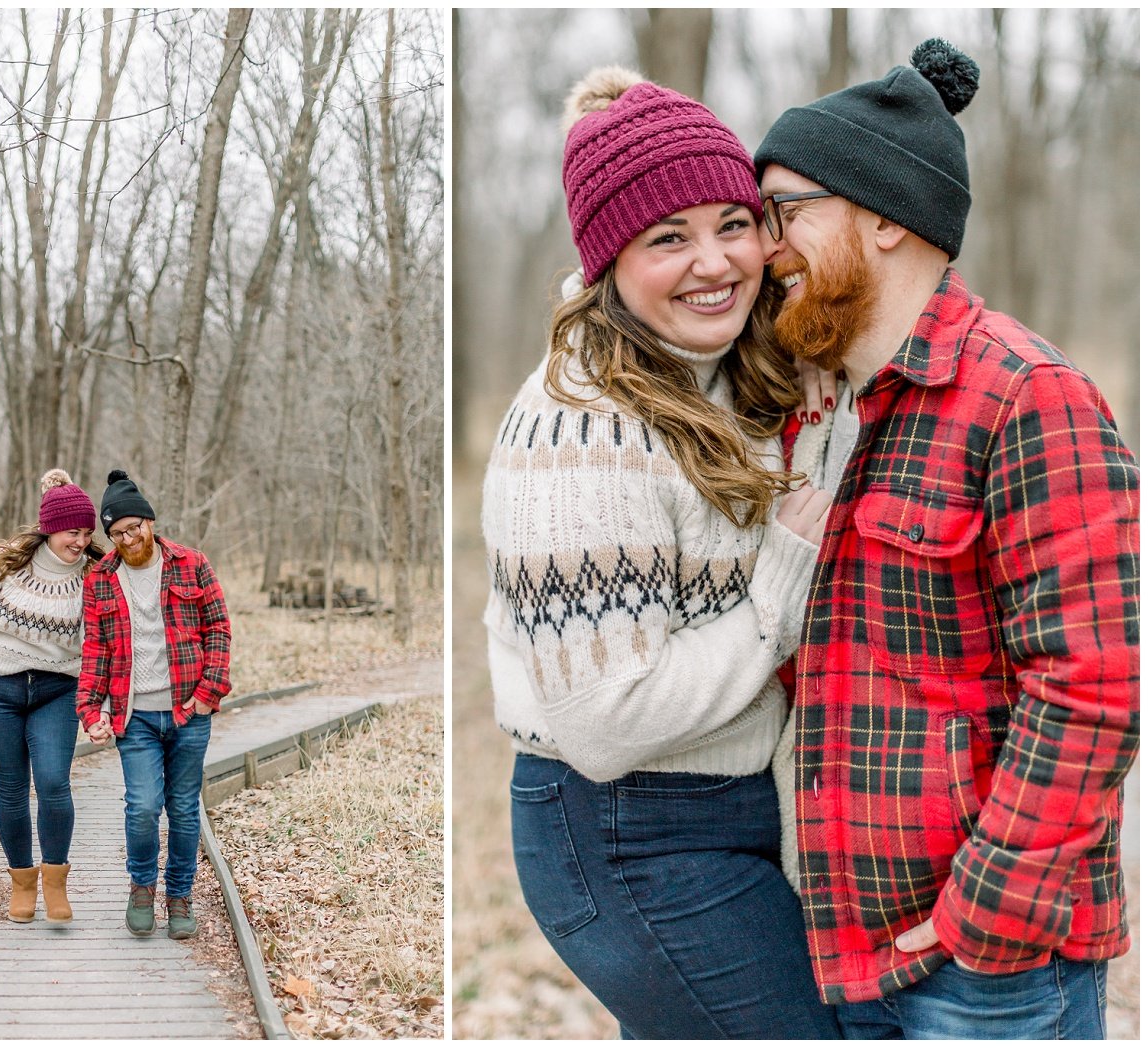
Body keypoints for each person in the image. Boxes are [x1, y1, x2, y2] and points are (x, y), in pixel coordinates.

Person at [755, 38, 1139, 1039]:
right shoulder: (821, 411)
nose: (765, 247)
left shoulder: (1025, 395)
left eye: (785, 211)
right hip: (843, 953)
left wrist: (978, 914)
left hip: (986, 981)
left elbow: (1092, 686)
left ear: (883, 217)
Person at [480, 67, 840, 1038]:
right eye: (666, 237)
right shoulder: (580, 429)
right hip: (617, 826)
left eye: (732, 222)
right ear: (607, 260)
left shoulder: (716, 369)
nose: (713, 261)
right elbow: (604, 719)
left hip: (715, 806)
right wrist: (777, 582)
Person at [76, 469, 232, 940]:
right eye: (117, 533)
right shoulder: (100, 580)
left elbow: (219, 628)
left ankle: (179, 895)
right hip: (134, 715)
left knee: (184, 809)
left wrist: (209, 693)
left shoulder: (191, 564)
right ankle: (142, 886)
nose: (127, 538)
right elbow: (95, 651)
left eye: (133, 527)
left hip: (189, 710)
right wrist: (89, 710)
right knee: (142, 806)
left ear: (149, 521)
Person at [0, 469, 102, 924]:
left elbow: (100, 644)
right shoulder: (1, 564)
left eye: (87, 532)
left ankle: (55, 883)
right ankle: (22, 883)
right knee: (11, 789)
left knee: (53, 782)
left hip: (58, 688)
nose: (81, 540)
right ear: (50, 528)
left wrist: (100, 703)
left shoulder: (95, 575)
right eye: (73, 531)